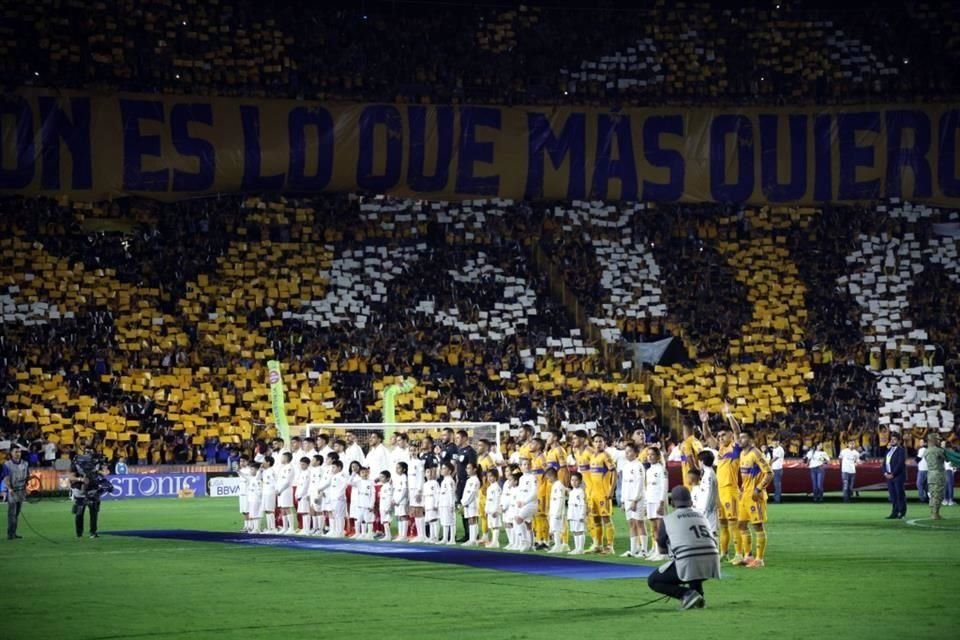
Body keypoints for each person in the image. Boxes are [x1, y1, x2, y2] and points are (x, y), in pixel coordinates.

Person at [646, 486, 721, 611]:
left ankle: (686, 594)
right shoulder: (702, 516)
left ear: (672, 503)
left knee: (654, 581)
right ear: (691, 502)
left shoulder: (668, 519)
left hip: (689, 561)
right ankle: (698, 597)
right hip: (712, 561)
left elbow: (662, 549)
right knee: (692, 564)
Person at [700, 405, 742, 562]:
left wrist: (730, 415)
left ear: (730, 435)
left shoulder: (735, 447)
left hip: (731, 490)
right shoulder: (721, 450)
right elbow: (708, 436)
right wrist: (704, 422)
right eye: (719, 436)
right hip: (720, 491)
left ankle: (739, 553)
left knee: (733, 523)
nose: (720, 438)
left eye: (724, 435)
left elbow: (738, 432)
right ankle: (724, 553)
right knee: (723, 524)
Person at [736, 429, 772, 568]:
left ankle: (759, 559)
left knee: (757, 526)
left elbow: (769, 473)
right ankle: (748, 556)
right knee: (741, 525)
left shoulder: (756, 453)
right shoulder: (741, 454)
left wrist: (758, 488)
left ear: (751, 439)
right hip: (744, 495)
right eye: (739, 438)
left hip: (755, 496)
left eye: (743, 437)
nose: (740, 440)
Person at [589, 433, 617, 554]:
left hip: (603, 493)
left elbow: (615, 473)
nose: (598, 443)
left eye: (600, 441)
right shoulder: (592, 457)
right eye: (596, 441)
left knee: (606, 519)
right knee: (595, 519)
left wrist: (611, 490)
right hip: (593, 493)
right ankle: (598, 545)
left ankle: (610, 546)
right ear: (593, 443)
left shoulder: (606, 456)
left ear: (604, 443)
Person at [620, 442, 647, 558]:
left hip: (637, 499)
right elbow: (624, 484)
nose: (627, 454)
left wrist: (635, 500)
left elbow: (640, 484)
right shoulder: (625, 466)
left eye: (630, 451)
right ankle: (633, 549)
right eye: (626, 452)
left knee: (639, 523)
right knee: (631, 523)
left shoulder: (638, 466)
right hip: (627, 499)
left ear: (636, 453)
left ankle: (644, 550)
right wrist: (622, 501)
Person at [644, 446, 669, 561]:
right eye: (648, 454)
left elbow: (664, 487)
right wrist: (646, 503)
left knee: (660, 528)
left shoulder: (661, 469)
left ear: (658, 457)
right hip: (650, 501)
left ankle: (663, 552)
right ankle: (656, 550)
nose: (649, 456)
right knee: (653, 527)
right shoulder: (648, 471)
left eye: (652, 454)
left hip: (658, 501)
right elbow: (647, 488)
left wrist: (661, 503)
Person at [1, 446, 29, 540]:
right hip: (12, 491)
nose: (18, 454)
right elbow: (6, 478)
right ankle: (10, 534)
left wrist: (27, 487)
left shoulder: (25, 464)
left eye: (19, 452)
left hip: (21, 491)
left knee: (16, 513)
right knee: (12, 513)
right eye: (16, 452)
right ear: (11, 453)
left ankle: (14, 532)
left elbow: (27, 477)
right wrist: (9, 489)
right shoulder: (7, 464)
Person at [693, 450, 719, 534]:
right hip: (705, 507)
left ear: (702, 461)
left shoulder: (709, 474)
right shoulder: (707, 473)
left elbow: (709, 492)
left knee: (710, 531)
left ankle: (714, 547)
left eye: (699, 461)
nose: (698, 463)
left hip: (707, 508)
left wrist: (705, 507)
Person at [883, 432, 907, 519]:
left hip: (898, 476)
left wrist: (893, 474)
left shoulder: (901, 450)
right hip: (889, 476)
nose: (892, 441)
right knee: (892, 495)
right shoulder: (889, 451)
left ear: (899, 441)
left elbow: (900, 463)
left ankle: (902, 512)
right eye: (891, 439)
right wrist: (885, 472)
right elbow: (884, 463)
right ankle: (894, 512)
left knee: (899, 494)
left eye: (894, 439)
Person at [923, 433, 947, 520]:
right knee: (938, 494)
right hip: (938, 474)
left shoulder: (926, 451)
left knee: (933, 494)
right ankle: (935, 513)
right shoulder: (938, 450)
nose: (939, 441)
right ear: (933, 440)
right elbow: (946, 458)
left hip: (930, 474)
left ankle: (933, 512)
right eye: (938, 440)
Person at [546, 467, 567, 553]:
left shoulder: (558, 485)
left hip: (557, 511)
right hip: (554, 511)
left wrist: (558, 512)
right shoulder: (555, 485)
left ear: (552, 476)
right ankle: (557, 544)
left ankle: (558, 545)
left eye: (548, 477)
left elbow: (560, 499)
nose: (548, 479)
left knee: (556, 528)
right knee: (554, 528)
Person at [460, 463, 481, 546]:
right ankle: (471, 539)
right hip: (467, 503)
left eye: (469, 468)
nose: (467, 470)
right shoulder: (469, 480)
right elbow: (466, 492)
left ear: (474, 469)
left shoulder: (475, 480)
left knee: (473, 520)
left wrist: (465, 502)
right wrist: (463, 501)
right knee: (470, 521)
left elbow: (472, 493)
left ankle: (473, 539)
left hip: (472, 503)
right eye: (466, 468)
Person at [567, 472, 587, 555]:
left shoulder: (580, 492)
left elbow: (583, 504)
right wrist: (569, 515)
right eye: (572, 480)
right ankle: (576, 548)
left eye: (576, 480)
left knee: (580, 530)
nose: (574, 482)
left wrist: (582, 515)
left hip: (578, 513)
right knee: (574, 531)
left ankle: (580, 548)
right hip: (572, 514)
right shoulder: (572, 492)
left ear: (580, 481)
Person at [438, 462, 457, 545]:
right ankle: (445, 538)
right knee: (444, 521)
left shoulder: (449, 481)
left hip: (448, 504)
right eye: (442, 468)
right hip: (443, 503)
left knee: (451, 521)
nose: (442, 470)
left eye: (444, 468)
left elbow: (451, 493)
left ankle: (452, 539)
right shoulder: (444, 480)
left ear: (449, 471)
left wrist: (452, 504)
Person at [484, 468, 502, 549]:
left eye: (491, 476)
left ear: (496, 477)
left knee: (495, 526)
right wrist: (486, 510)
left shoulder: (497, 488)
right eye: (488, 476)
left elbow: (498, 500)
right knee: (491, 525)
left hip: (494, 510)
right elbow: (488, 500)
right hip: (490, 510)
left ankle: (495, 542)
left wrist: (496, 510)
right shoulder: (489, 487)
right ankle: (495, 542)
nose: (489, 478)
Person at [393, 461, 410, 541]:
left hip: (402, 500)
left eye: (399, 468)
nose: (397, 469)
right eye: (396, 468)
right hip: (396, 500)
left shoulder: (404, 477)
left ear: (404, 469)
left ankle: (404, 535)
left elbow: (404, 490)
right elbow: (395, 489)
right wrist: (393, 499)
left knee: (403, 516)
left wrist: (399, 500)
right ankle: (400, 535)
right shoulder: (396, 477)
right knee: (399, 517)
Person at [769, 436, 785, 503]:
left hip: (778, 469)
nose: (774, 443)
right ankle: (776, 498)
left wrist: (768, 463)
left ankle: (777, 499)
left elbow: (775, 458)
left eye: (775, 441)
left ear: (778, 442)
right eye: (773, 442)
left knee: (777, 484)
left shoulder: (780, 449)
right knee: (776, 484)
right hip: (774, 468)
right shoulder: (775, 449)